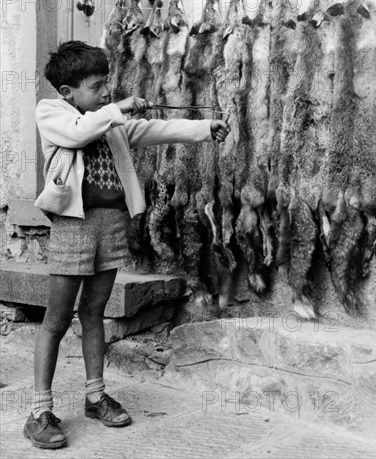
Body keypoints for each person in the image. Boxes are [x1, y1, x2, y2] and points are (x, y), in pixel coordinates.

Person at [24, 40, 230, 449]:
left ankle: (95, 396)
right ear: (68, 93)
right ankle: (39, 410)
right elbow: (78, 133)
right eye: (97, 86)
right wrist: (116, 108)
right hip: (72, 226)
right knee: (57, 319)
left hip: (109, 226)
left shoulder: (108, 119)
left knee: (95, 312)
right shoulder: (53, 113)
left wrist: (204, 129)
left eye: (107, 85)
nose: (105, 92)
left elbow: (151, 129)